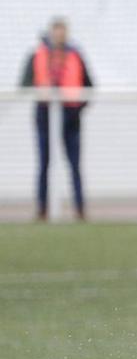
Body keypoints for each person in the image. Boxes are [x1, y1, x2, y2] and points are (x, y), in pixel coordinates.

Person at [22, 17, 94, 221]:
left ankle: (80, 209)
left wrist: (79, 107)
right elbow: (25, 82)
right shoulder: (37, 55)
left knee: (74, 164)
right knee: (44, 163)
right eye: (56, 31)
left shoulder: (75, 55)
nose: (59, 35)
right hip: (45, 115)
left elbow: (89, 84)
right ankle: (42, 209)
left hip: (70, 117)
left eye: (62, 31)